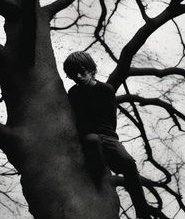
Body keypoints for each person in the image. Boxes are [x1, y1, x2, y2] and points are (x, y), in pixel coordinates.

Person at [63, 51, 151, 219]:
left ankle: (142, 209)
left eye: (82, 71)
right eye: (74, 75)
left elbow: (111, 119)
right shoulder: (73, 93)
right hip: (88, 136)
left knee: (128, 162)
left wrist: (110, 140)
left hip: (108, 136)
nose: (79, 76)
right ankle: (99, 170)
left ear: (91, 69)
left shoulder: (105, 90)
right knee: (91, 140)